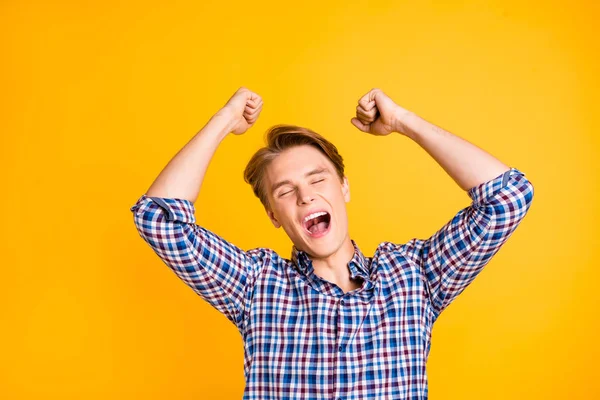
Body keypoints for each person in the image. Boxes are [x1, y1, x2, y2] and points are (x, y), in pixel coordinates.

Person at [130, 87, 534, 399]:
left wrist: (404, 121)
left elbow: (507, 197)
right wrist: (223, 119)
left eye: (317, 179)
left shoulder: (415, 276)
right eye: (285, 191)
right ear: (273, 215)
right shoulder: (256, 285)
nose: (305, 196)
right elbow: (158, 218)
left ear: (343, 187)